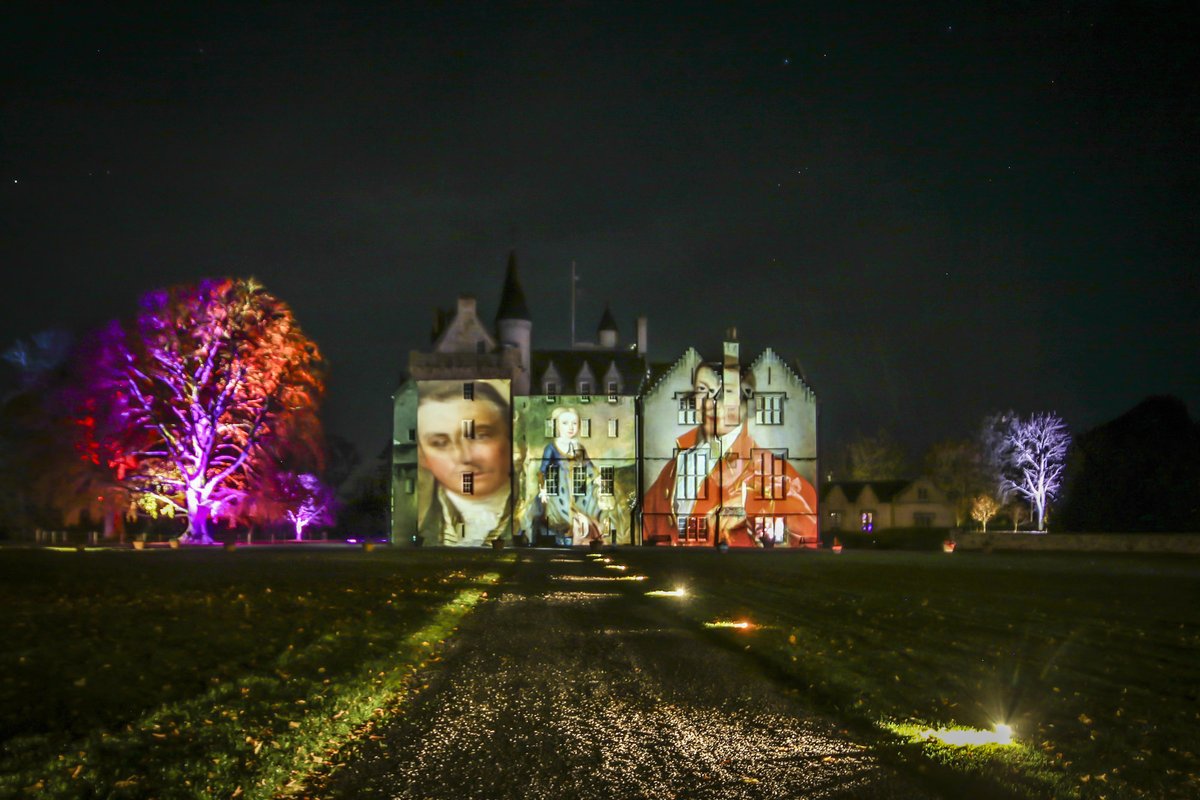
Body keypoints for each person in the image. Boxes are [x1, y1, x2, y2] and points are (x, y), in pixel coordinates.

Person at [643, 363, 817, 547]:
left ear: (745, 403)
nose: (712, 403)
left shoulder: (767, 467)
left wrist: (749, 503)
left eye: (726, 392)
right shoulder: (675, 466)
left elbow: (806, 522)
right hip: (672, 572)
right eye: (703, 390)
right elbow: (646, 525)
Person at [417, 381, 512, 546]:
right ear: (422, 457)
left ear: (509, 437)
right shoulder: (418, 522)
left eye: (480, 436)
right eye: (440, 443)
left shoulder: (531, 511)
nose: (465, 457)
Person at [528, 406, 602, 546]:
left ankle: (584, 539)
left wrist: (598, 478)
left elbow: (589, 467)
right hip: (558, 491)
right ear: (557, 426)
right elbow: (542, 471)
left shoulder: (579, 447)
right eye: (565, 423)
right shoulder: (552, 448)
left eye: (574, 423)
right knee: (559, 516)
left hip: (578, 489)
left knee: (592, 508)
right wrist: (543, 490)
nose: (571, 427)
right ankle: (563, 538)